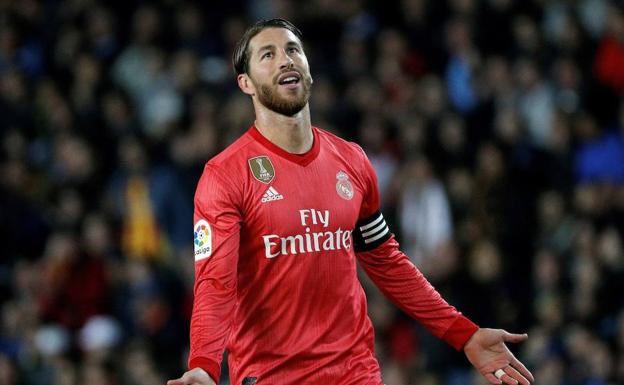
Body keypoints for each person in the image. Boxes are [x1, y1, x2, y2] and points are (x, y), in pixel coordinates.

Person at [167, 18, 534, 385]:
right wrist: (204, 364)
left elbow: (387, 261)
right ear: (245, 82)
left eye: (293, 49)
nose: (285, 60)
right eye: (268, 54)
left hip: (355, 373)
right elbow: (216, 282)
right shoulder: (226, 174)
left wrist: (464, 333)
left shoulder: (352, 161)